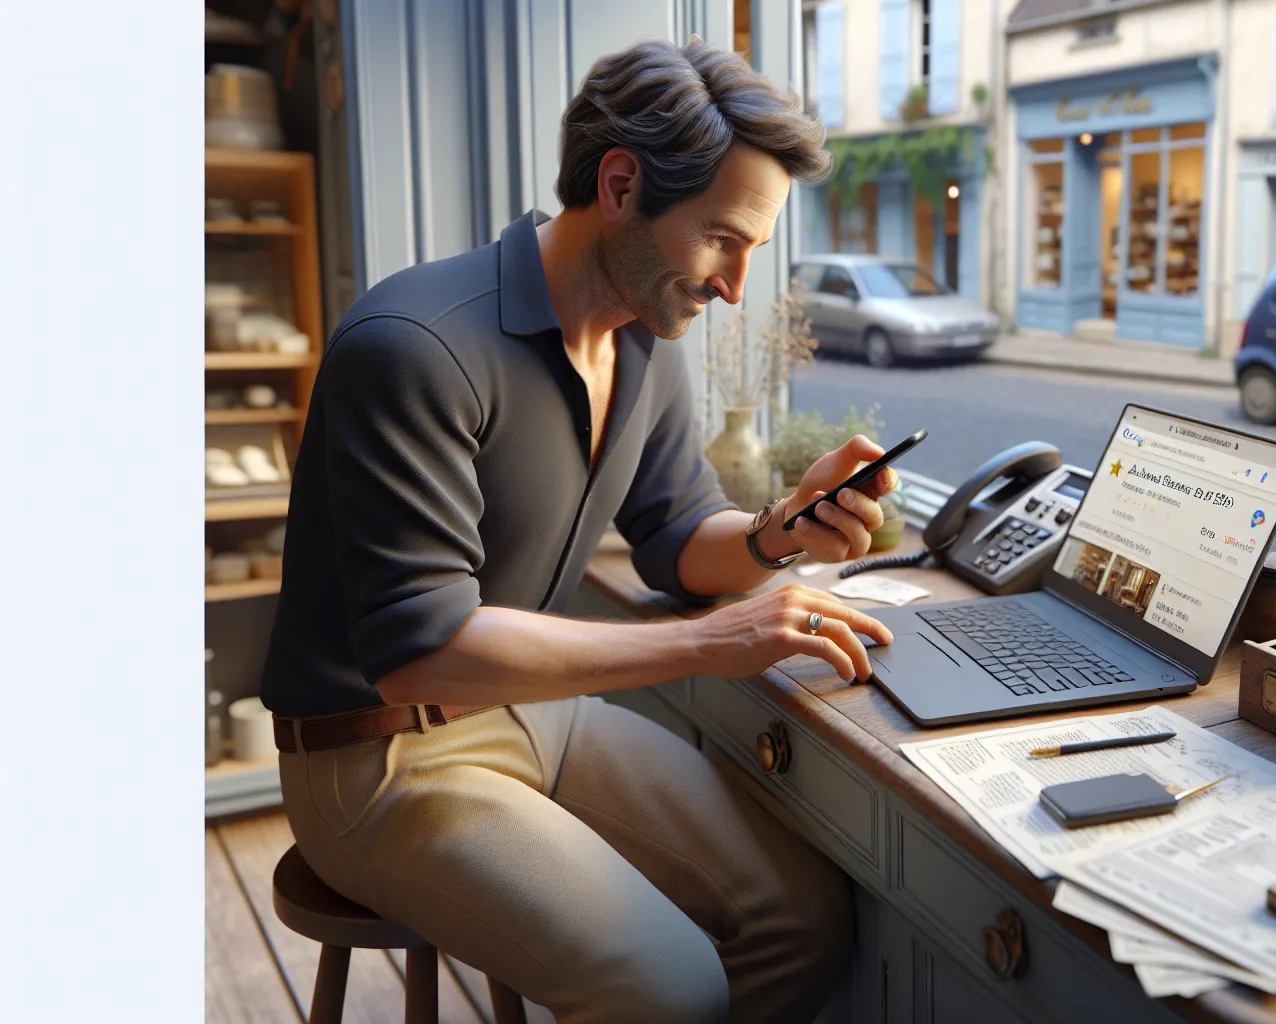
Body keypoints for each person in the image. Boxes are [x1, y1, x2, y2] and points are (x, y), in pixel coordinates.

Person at [259, 36, 897, 1024]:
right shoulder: (416, 347)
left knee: (803, 916)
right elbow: (420, 653)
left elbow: (680, 536)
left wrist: (784, 529)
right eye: (720, 239)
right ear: (619, 182)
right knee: (671, 986)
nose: (734, 286)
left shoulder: (643, 337)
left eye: (751, 253)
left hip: (526, 713)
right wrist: (705, 642)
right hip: (373, 757)